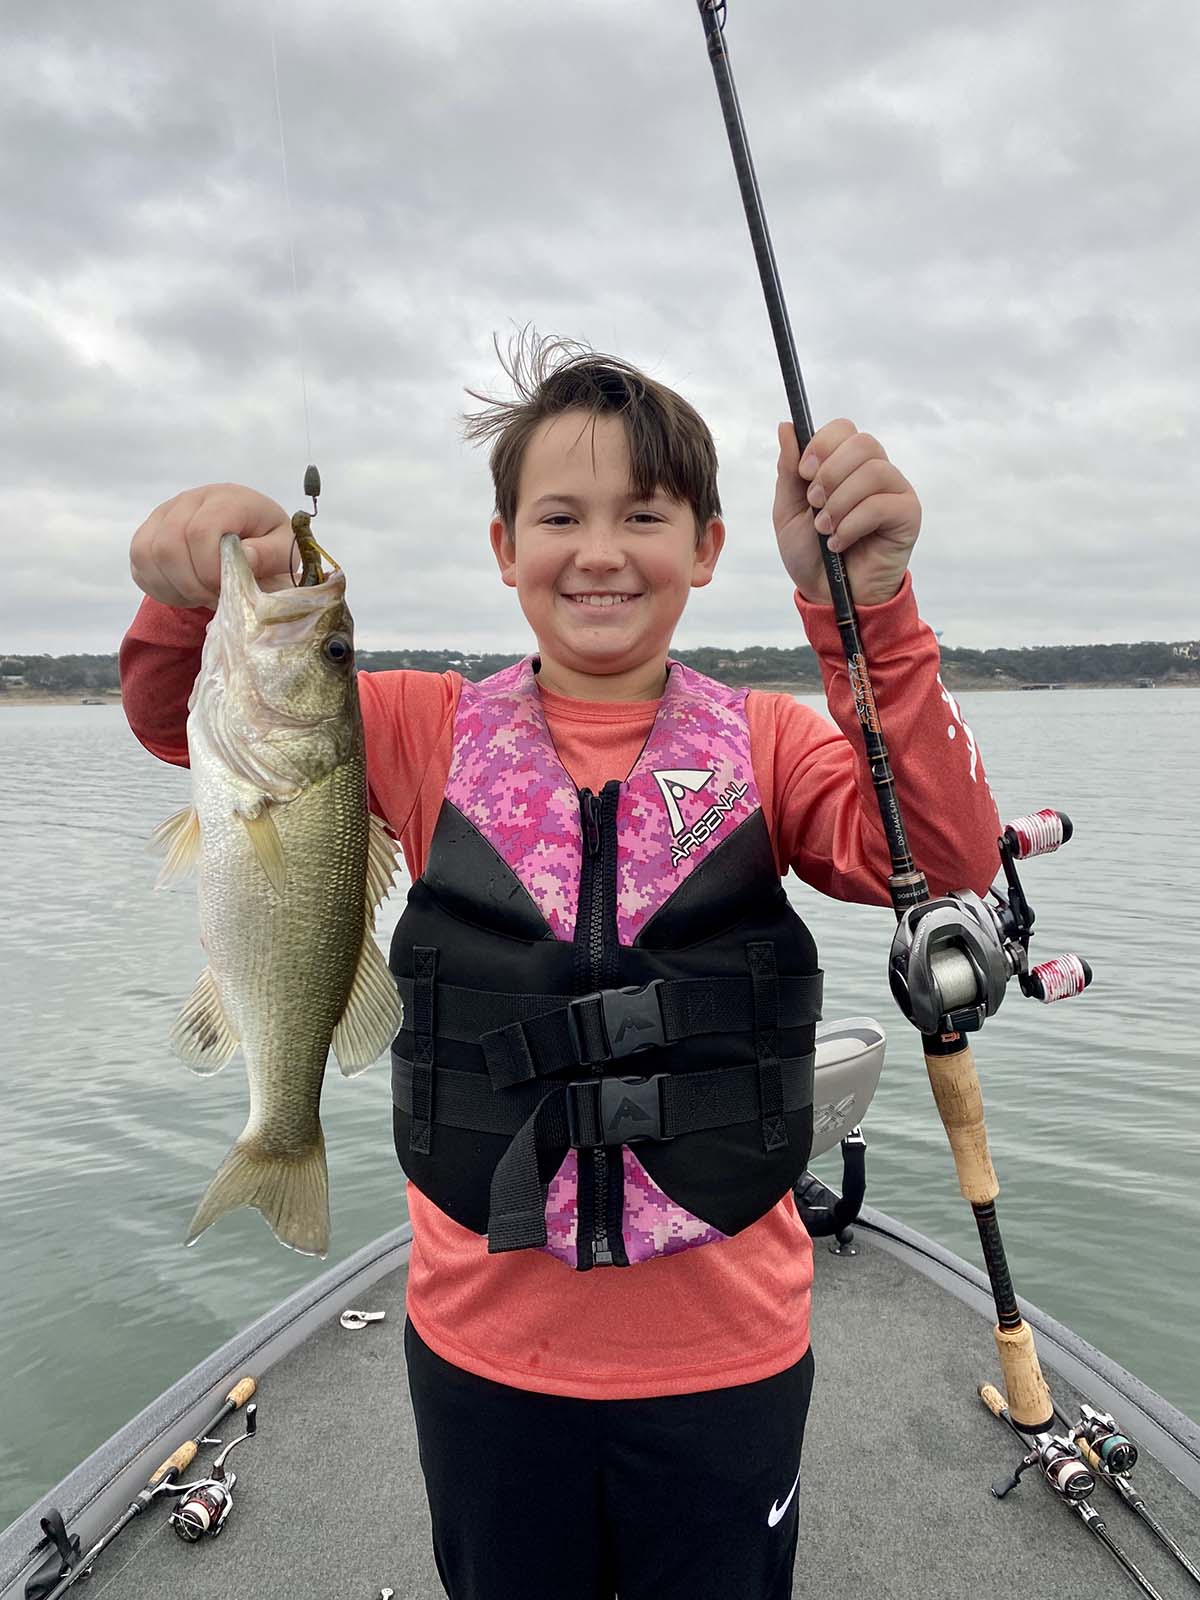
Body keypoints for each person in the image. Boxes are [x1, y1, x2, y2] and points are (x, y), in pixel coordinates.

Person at [120, 332, 1000, 1600]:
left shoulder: (768, 744)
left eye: (643, 514)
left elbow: (946, 845)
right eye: (559, 514)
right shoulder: (420, 730)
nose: (598, 550)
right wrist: (180, 595)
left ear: (706, 546)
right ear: (503, 549)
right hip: (485, 1354)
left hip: (728, 1357)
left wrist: (862, 601)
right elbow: (178, 724)